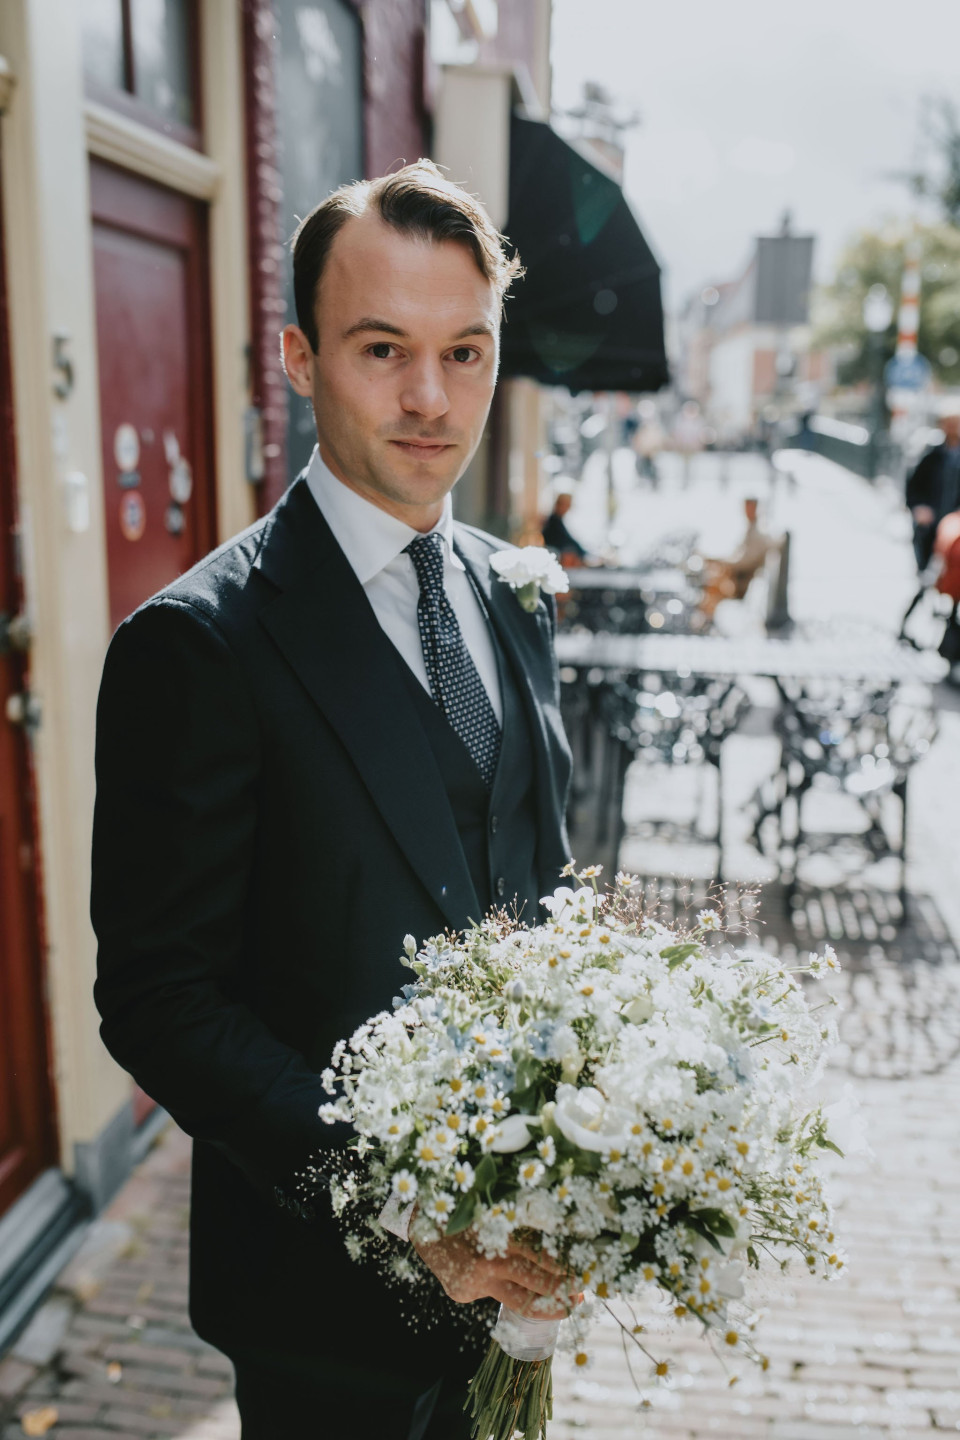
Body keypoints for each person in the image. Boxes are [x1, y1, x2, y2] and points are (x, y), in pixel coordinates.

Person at [91, 162, 574, 1440]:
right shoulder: (197, 646)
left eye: (466, 352)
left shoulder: (515, 592)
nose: (431, 399)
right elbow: (157, 997)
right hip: (320, 1306)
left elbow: (537, 891)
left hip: (521, 1283)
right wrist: (404, 1202)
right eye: (382, 350)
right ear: (301, 360)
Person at [697, 497, 777, 622]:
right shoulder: (751, 529)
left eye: (749, 507)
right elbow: (738, 555)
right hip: (741, 575)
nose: (746, 511)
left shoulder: (758, 532)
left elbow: (745, 562)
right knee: (713, 574)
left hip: (743, 580)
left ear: (755, 508)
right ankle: (705, 615)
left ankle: (707, 617)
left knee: (715, 581)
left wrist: (722, 562)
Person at [906, 409, 960, 572]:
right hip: (933, 519)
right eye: (948, 423)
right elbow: (913, 486)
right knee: (927, 564)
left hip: (955, 521)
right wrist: (919, 508)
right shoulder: (930, 454)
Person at [541, 487, 586, 565]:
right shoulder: (554, 521)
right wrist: (582, 553)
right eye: (567, 505)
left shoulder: (557, 520)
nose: (568, 508)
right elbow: (565, 540)